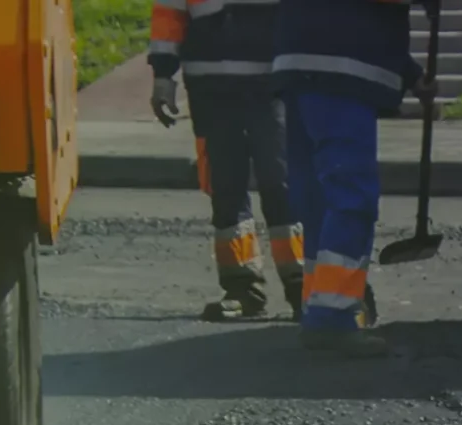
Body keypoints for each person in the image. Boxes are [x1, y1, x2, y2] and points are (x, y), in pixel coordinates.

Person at [272, 0, 429, 357]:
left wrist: (408, 72)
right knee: (350, 196)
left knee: (319, 201)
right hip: (339, 68)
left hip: (301, 61)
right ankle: (331, 318)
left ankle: (319, 308)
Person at [149, 0, 308, 321]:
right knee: (226, 185)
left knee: (282, 181)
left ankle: (302, 285)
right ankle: (242, 288)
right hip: (211, 86)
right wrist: (163, 75)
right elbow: (170, 11)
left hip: (272, 82)